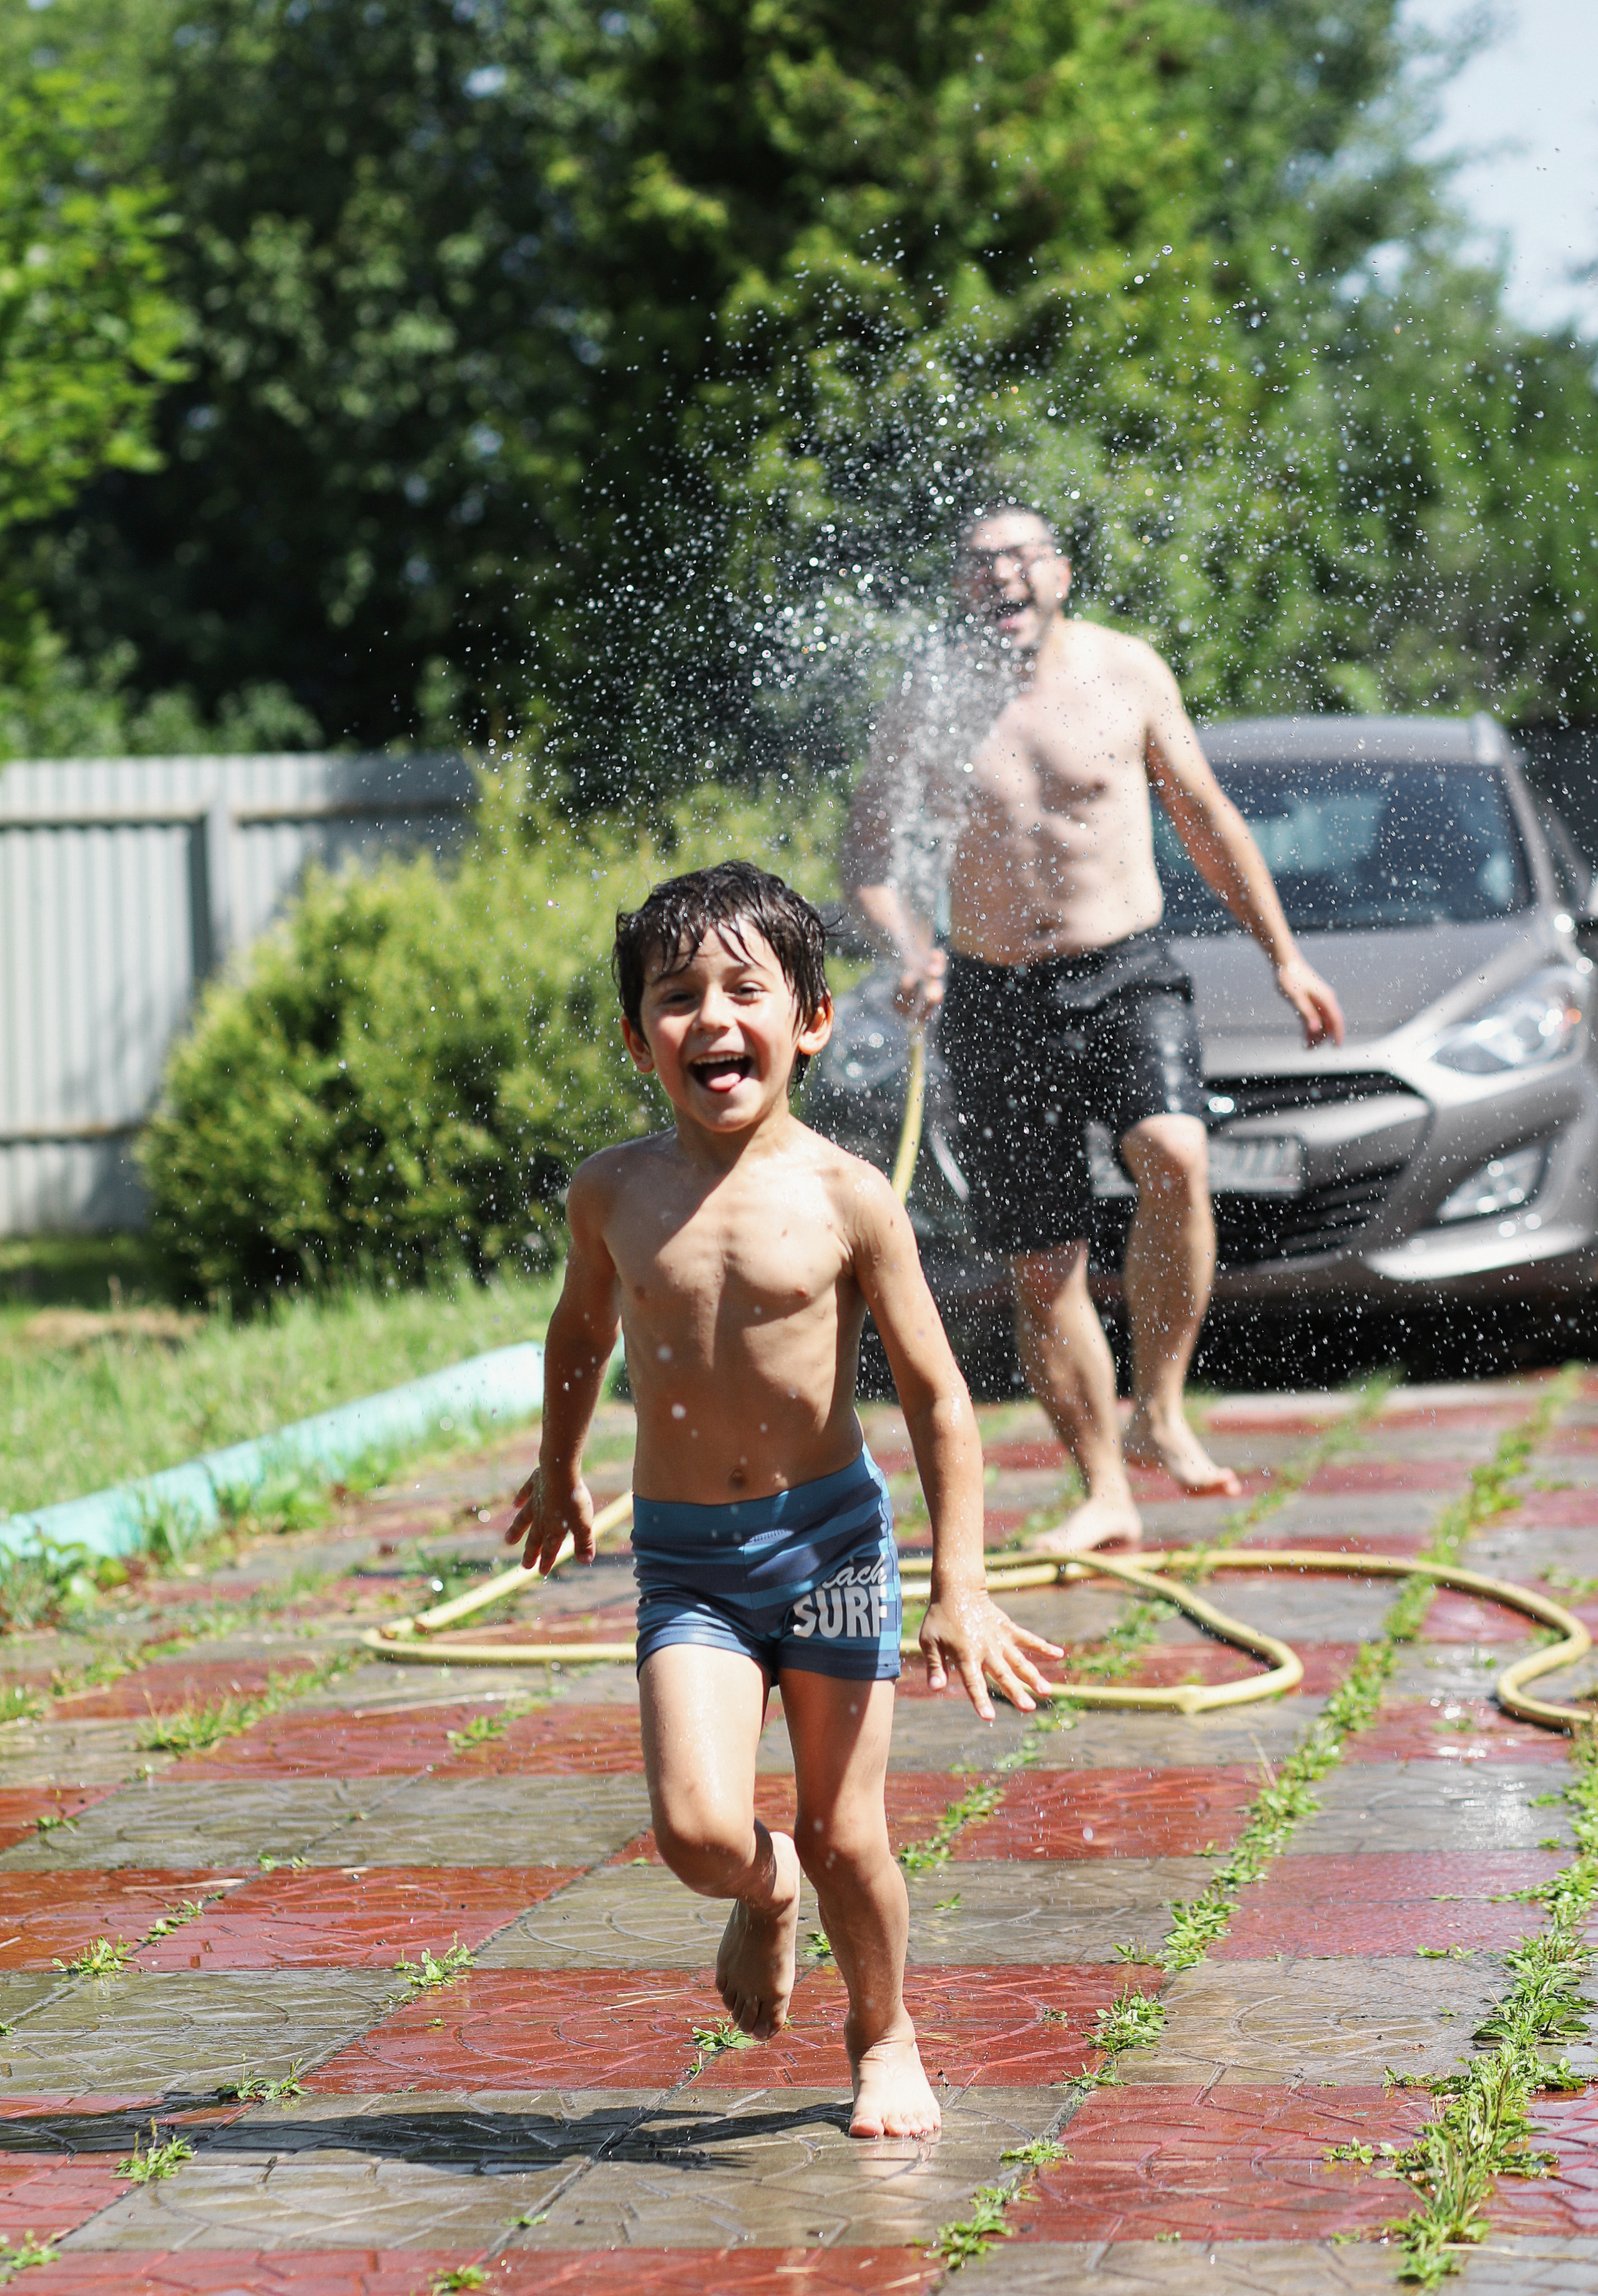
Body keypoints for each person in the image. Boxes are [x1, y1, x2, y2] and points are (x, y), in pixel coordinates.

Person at [504, 861, 1060, 2139]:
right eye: (676, 995)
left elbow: (937, 1399)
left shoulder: (848, 1198)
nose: (711, 1017)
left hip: (832, 1552)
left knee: (846, 1830)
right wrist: (559, 1462)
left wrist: (961, 1583)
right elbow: (579, 1334)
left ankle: (885, 2034)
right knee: (698, 1831)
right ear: (638, 1037)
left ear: (809, 1020)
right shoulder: (612, 1194)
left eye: (743, 990)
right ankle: (765, 1895)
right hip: (688, 1564)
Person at [843, 504, 1345, 1554]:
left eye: (1021, 556)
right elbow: (870, 859)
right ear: (961, 586)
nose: (1001, 575)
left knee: (1175, 1154)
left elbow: (1205, 817)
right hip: (992, 993)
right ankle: (1106, 1487)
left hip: (1125, 969)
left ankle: (1161, 1407)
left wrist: (1285, 956)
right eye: (980, 562)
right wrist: (911, 949)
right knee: (1043, 1263)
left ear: (1061, 573)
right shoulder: (929, 699)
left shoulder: (1127, 671)